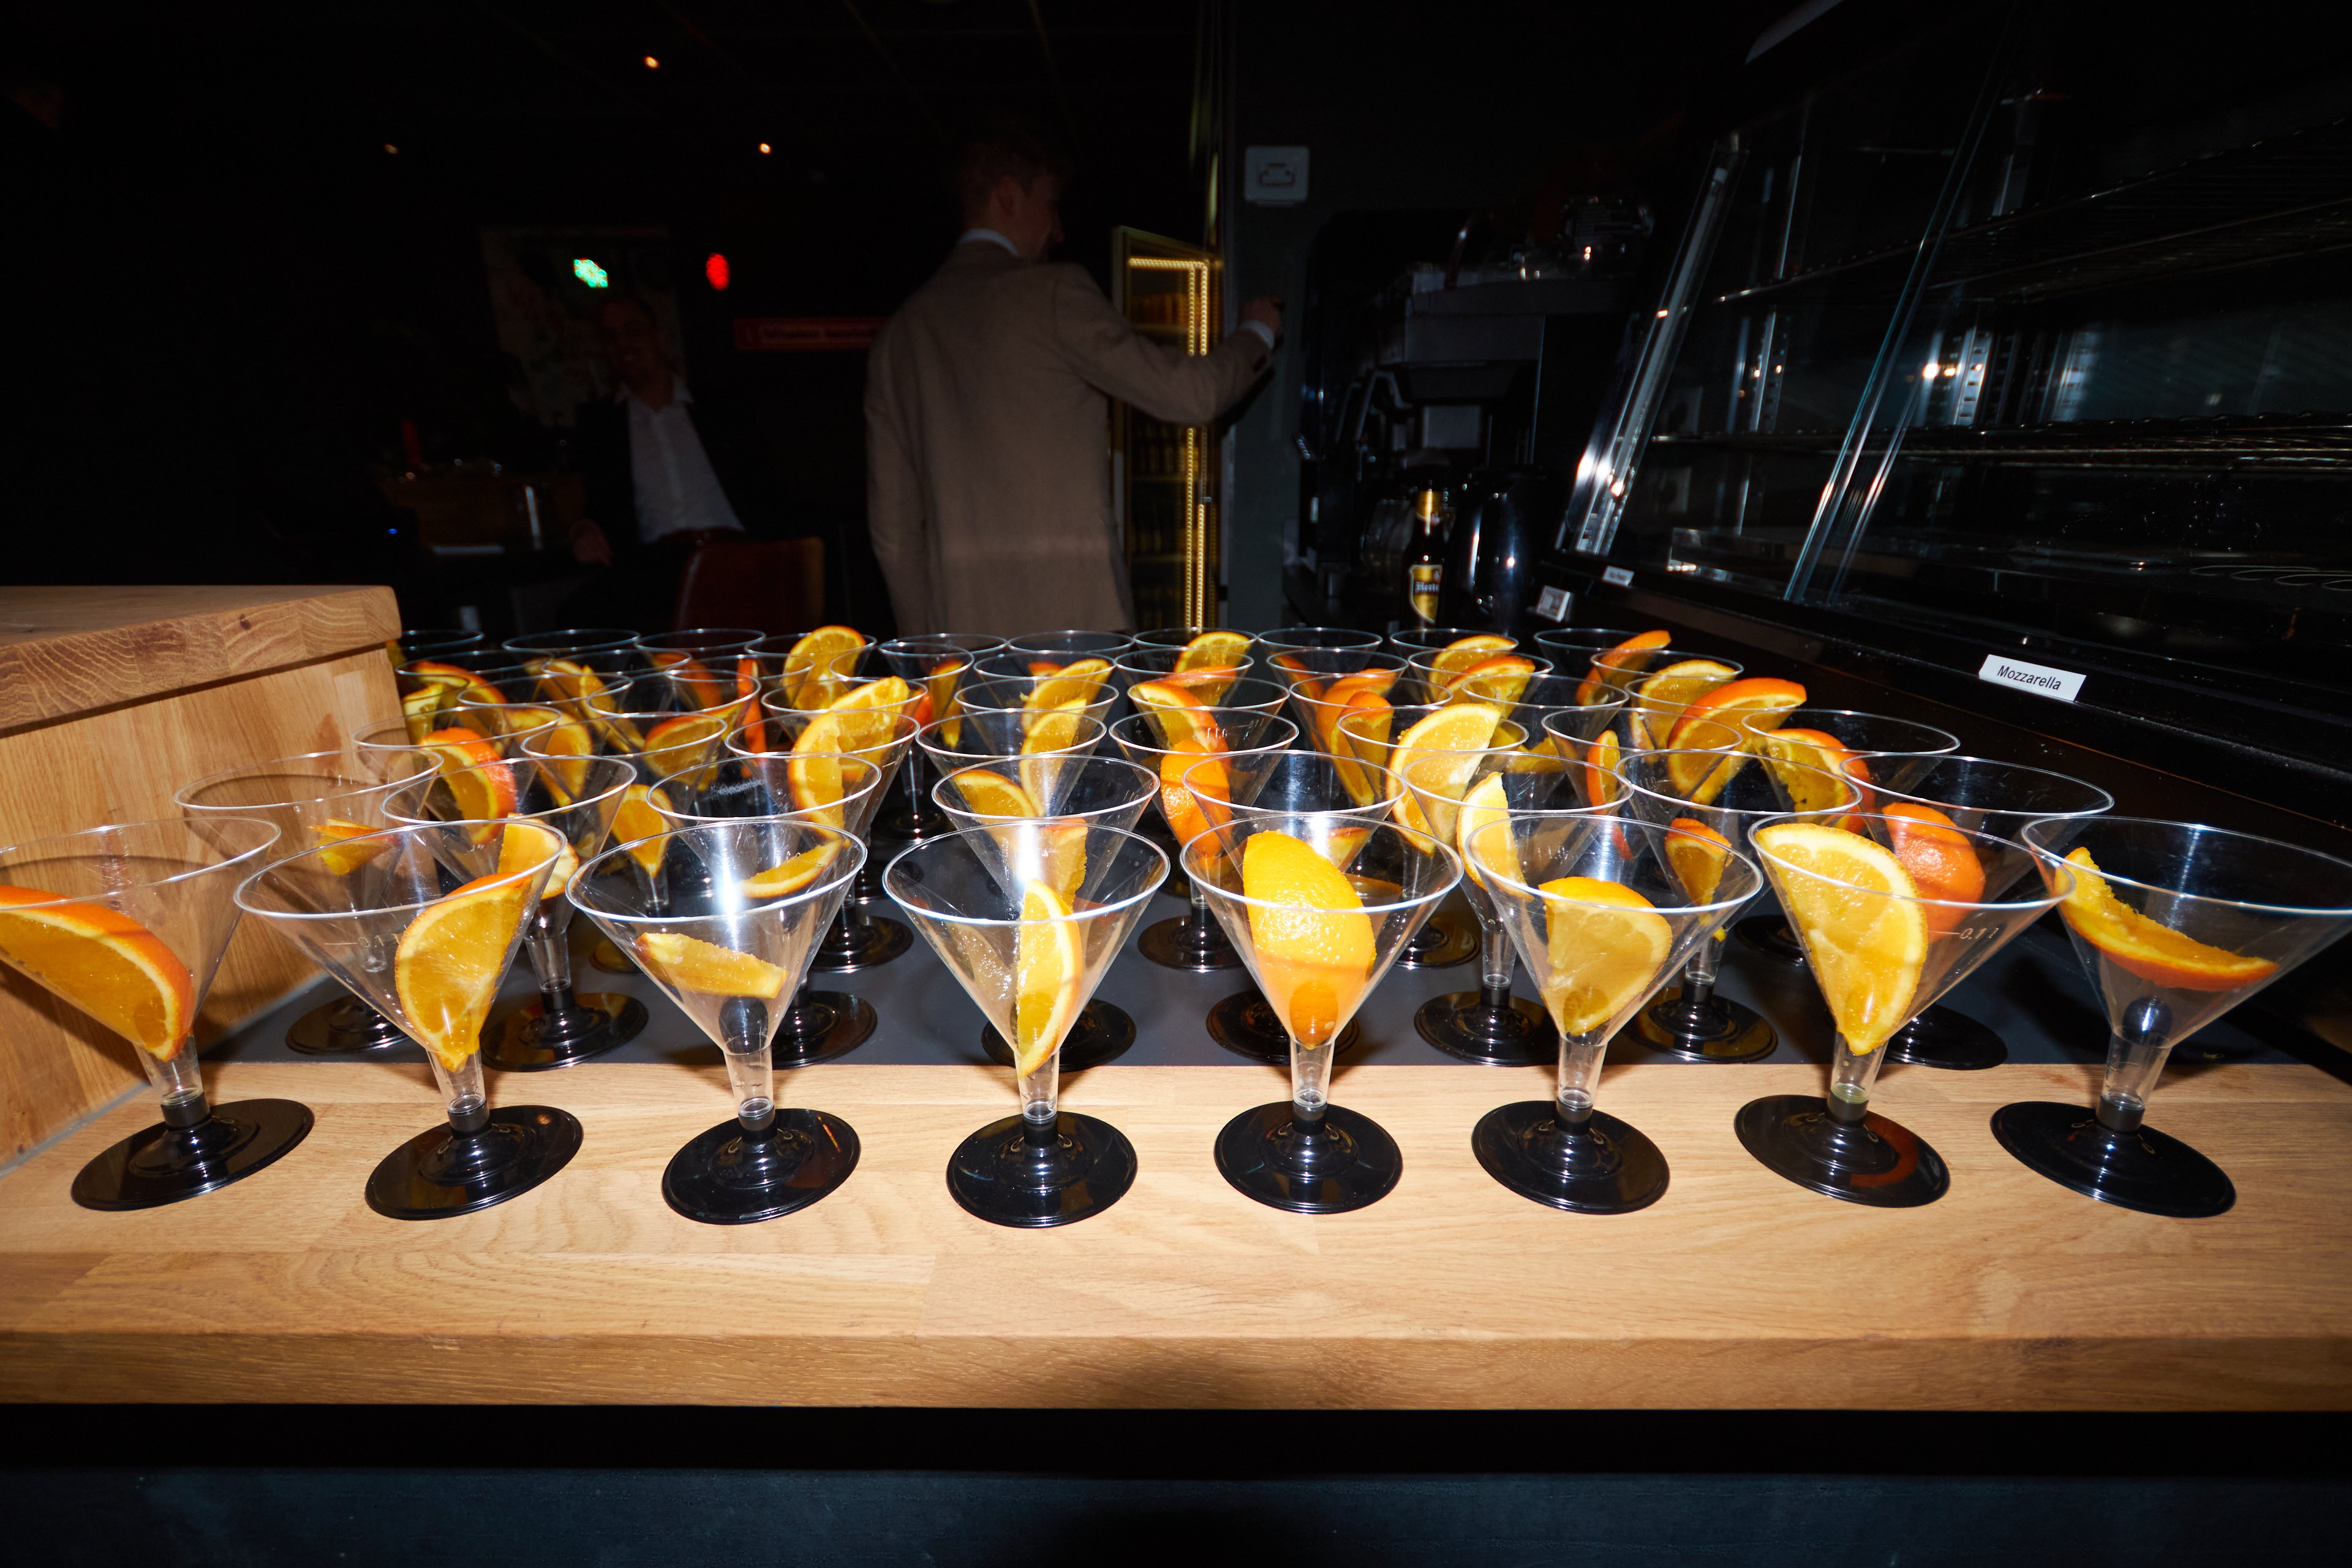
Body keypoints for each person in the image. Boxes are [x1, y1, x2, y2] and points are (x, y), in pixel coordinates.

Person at [865, 127, 1281, 635]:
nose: (1058, 230)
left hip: (961, 640)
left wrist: (927, 649)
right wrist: (1257, 333)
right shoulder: (1053, 293)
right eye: (1051, 204)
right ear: (1008, 195)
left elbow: (892, 532)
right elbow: (1192, 395)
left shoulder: (899, 336)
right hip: (1073, 634)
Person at [567, 294, 765, 629]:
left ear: (659, 338)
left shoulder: (720, 408)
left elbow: (766, 487)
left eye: (633, 331)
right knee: (577, 617)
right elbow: (595, 504)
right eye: (611, 337)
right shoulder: (600, 424)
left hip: (735, 552)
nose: (623, 344)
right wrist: (582, 528)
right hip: (656, 566)